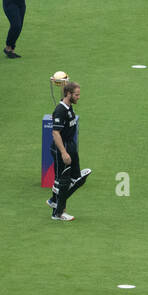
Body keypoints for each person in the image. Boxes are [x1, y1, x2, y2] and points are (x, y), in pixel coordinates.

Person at [48, 81, 90, 221]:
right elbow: (55, 133)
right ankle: (58, 212)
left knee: (77, 179)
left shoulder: (69, 107)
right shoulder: (60, 110)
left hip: (70, 146)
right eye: (76, 95)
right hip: (63, 148)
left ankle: (54, 200)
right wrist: (63, 152)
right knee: (63, 181)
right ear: (68, 94)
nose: (78, 97)